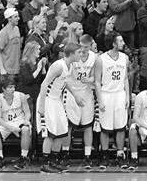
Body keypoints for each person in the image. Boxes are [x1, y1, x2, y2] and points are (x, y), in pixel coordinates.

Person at [37, 43, 80, 173]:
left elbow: (65, 82)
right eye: (78, 52)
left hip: (57, 101)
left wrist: (76, 96)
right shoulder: (58, 65)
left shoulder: (70, 66)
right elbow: (44, 85)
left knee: (62, 132)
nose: (80, 54)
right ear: (71, 54)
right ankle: (45, 164)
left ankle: (54, 161)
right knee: (50, 133)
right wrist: (41, 106)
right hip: (48, 100)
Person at [94, 34, 131, 168]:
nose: (123, 42)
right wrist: (100, 100)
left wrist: (127, 96)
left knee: (121, 126)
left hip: (120, 94)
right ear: (113, 44)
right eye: (120, 40)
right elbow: (97, 82)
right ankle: (104, 156)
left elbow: (126, 78)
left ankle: (120, 154)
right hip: (106, 94)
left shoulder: (125, 58)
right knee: (105, 127)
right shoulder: (101, 59)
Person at [66, 37, 97, 168]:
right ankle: (65, 154)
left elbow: (97, 77)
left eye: (86, 47)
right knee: (69, 126)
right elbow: (65, 78)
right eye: (81, 46)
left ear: (90, 46)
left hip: (87, 94)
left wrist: (90, 80)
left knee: (88, 125)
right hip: (73, 93)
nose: (83, 50)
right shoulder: (74, 56)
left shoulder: (95, 58)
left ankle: (87, 156)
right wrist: (74, 93)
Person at [0, 79, 31, 170]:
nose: (13, 89)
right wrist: (11, 128)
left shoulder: (21, 96)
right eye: (10, 87)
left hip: (19, 121)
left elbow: (27, 112)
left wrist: (26, 120)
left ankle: (24, 157)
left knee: (26, 129)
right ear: (3, 89)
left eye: (14, 87)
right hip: (5, 123)